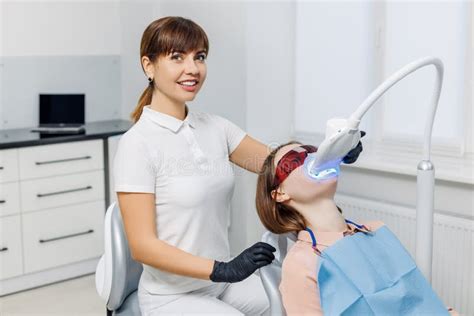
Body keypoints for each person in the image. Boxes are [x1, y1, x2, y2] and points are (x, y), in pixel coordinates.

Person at [114, 17, 364, 315]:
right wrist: (223, 269)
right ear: (149, 66)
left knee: (299, 300)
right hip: (172, 296)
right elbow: (143, 246)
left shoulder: (215, 128)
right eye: (177, 57)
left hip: (221, 286)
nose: (192, 68)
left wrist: (333, 153)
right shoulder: (137, 144)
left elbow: (277, 165)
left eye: (199, 57)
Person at [255, 141, 457, 316]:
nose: (313, 158)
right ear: (280, 194)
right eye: (296, 159)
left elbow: (421, 302)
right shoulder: (302, 262)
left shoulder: (376, 232)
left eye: (312, 151)